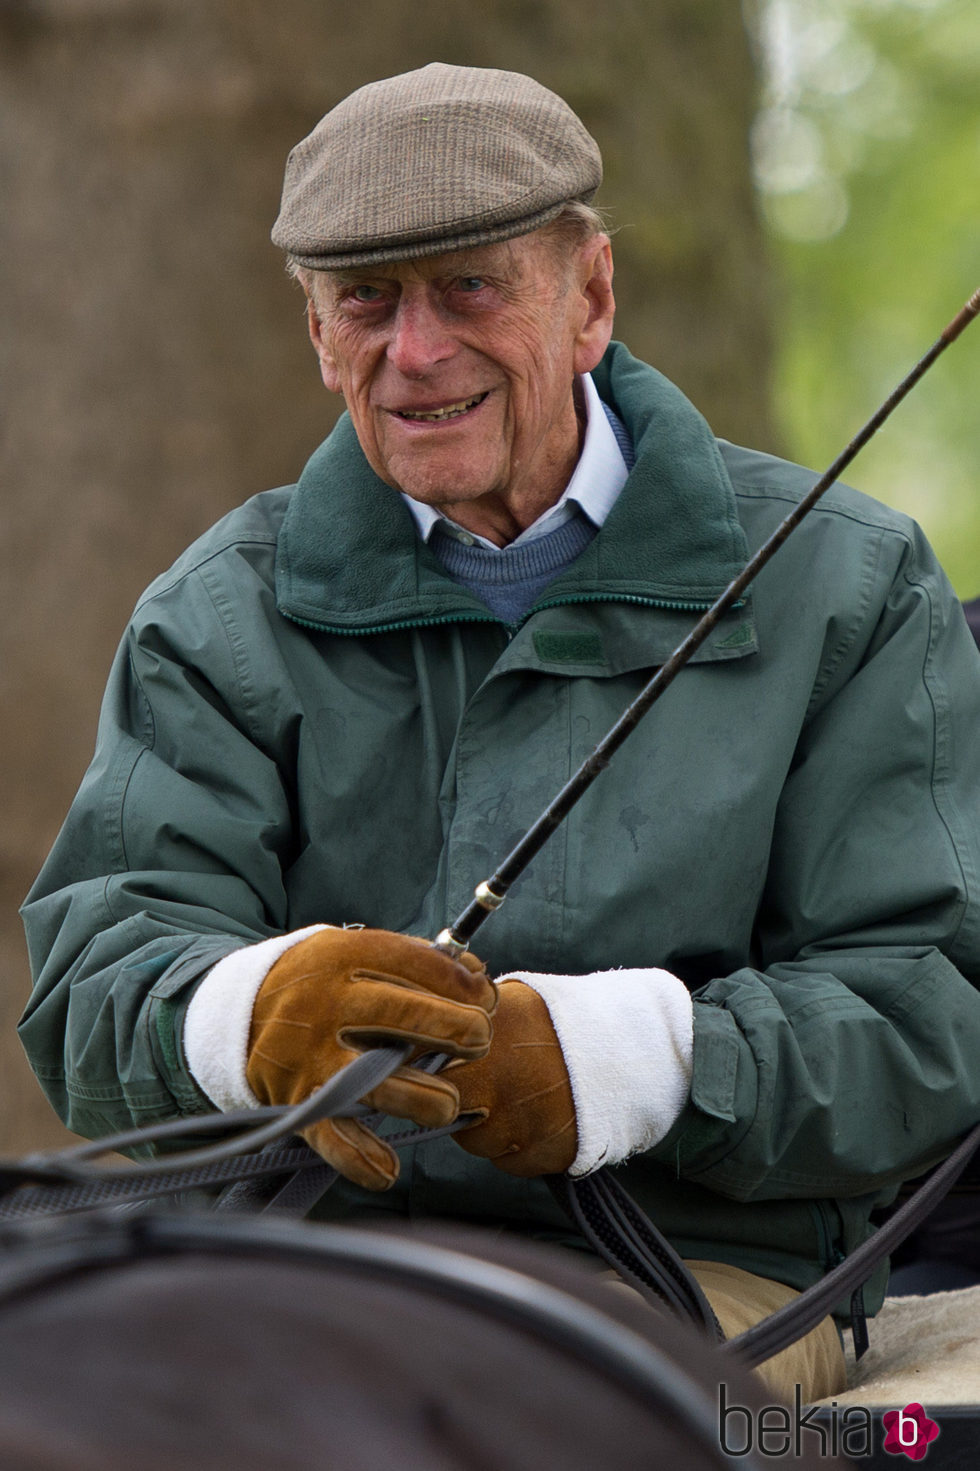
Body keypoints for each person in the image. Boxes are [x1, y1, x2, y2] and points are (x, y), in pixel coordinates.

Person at [20, 64, 980, 1404]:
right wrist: (249, 1017)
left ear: (589, 297)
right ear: (316, 329)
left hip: (702, 1271)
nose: (413, 352)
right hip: (294, 1260)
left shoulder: (848, 586)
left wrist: (609, 1064)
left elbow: (931, 1014)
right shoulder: (217, 610)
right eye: (367, 300)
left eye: (470, 286)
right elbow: (91, 988)